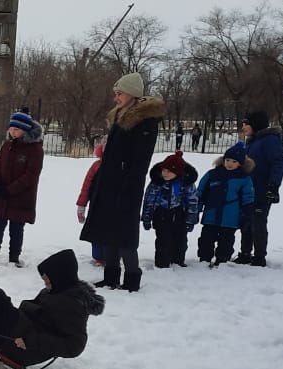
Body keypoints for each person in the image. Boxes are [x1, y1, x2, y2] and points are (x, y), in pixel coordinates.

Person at [79, 72, 167, 293]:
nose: (116, 98)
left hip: (126, 186)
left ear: (132, 94)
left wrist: (127, 187)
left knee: (125, 235)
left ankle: (131, 278)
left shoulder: (144, 121)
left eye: (120, 93)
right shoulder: (119, 116)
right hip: (109, 184)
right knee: (108, 231)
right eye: (115, 93)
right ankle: (111, 277)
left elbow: (139, 161)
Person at [0, 110, 44, 267]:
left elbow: (31, 175)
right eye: (11, 128)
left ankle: (14, 257)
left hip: (21, 197)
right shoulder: (7, 145)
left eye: (16, 129)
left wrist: (11, 189)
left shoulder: (35, 149)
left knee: (17, 228)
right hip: (1, 194)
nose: (12, 132)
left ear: (25, 130)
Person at [235, 111, 283, 267]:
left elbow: (278, 163)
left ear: (255, 125)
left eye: (246, 124)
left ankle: (259, 256)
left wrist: (273, 186)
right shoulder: (252, 141)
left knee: (258, 222)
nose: (243, 127)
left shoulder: (269, 141)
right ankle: (245, 253)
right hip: (248, 190)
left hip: (262, 189)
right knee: (246, 222)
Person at [196, 143, 255, 268]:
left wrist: (246, 214)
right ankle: (204, 259)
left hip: (231, 216)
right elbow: (201, 191)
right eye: (227, 160)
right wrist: (197, 207)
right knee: (206, 238)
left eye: (234, 161)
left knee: (226, 241)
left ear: (240, 163)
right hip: (211, 213)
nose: (230, 164)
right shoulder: (212, 174)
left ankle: (222, 260)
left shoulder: (244, 178)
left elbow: (248, 197)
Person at [141, 151, 199, 268]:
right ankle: (162, 263)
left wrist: (190, 220)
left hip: (179, 215)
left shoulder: (186, 183)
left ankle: (177, 261)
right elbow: (149, 200)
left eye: (169, 171)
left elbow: (192, 201)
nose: (165, 173)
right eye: (164, 170)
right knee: (163, 241)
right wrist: (147, 218)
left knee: (180, 241)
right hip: (161, 215)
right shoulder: (157, 183)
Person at [77, 140, 106, 266]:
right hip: (97, 206)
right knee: (96, 232)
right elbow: (87, 186)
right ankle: (98, 257)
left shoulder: (122, 166)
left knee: (111, 233)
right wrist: (82, 205)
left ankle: (110, 256)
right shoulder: (96, 166)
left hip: (115, 207)